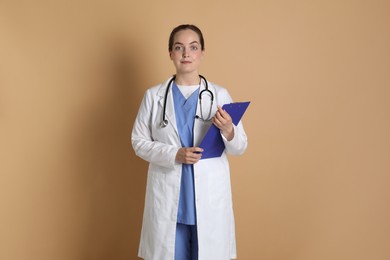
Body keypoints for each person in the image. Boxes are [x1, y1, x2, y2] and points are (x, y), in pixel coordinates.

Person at [131, 24, 248, 260]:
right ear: (171, 53)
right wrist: (175, 154)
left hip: (209, 200)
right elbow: (138, 142)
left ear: (202, 52)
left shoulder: (219, 95)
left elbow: (240, 146)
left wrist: (228, 130)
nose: (186, 54)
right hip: (170, 201)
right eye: (179, 47)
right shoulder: (154, 97)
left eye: (193, 47)